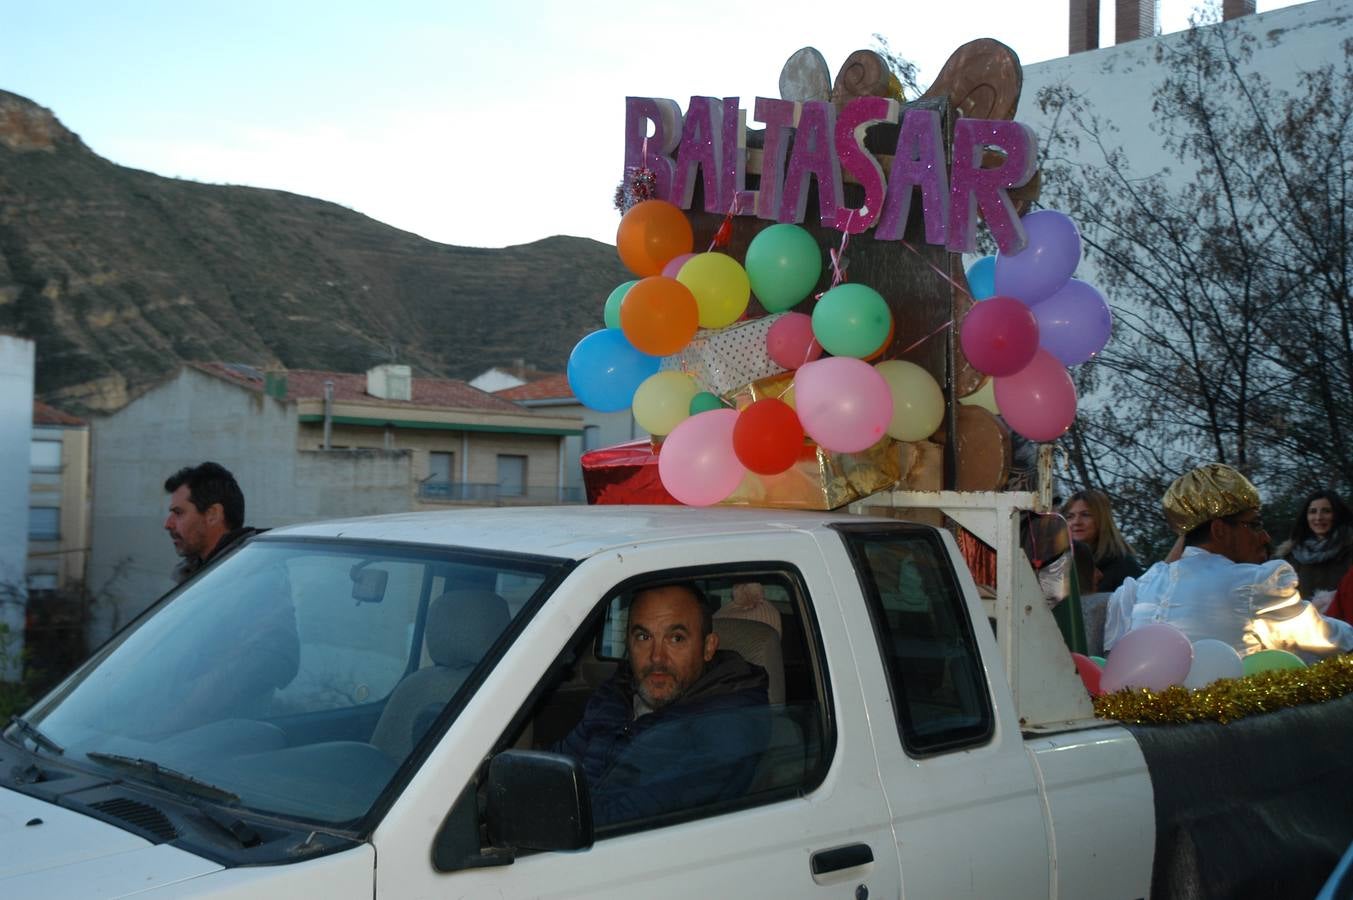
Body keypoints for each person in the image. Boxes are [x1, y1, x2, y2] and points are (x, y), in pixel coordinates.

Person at [554, 582, 770, 826]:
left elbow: (627, 822)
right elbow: (554, 768)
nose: (657, 657)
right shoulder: (616, 695)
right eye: (644, 637)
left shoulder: (724, 726)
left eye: (676, 638)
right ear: (629, 643)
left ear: (708, 647)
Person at [1103, 463, 1353, 659]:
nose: (1265, 537)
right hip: (1236, 721)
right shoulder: (1254, 583)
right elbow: (1328, 638)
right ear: (1220, 530)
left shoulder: (1140, 586)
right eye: (1254, 524)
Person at [164, 461, 259, 583]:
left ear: (212, 514)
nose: (167, 524)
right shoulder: (201, 572)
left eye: (178, 513)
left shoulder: (248, 581)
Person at [1274, 489, 1353, 601]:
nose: (1318, 517)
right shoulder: (1289, 556)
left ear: (1338, 514)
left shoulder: (1349, 551)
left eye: (1326, 511)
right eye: (1312, 511)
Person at [1060, 489, 1143, 593]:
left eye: (1086, 515)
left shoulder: (1124, 566)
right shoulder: (1061, 564)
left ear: (1102, 519)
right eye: (1070, 516)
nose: (1076, 522)